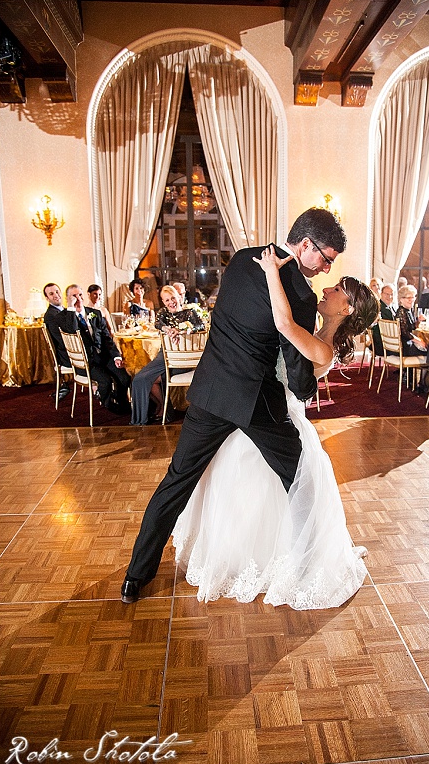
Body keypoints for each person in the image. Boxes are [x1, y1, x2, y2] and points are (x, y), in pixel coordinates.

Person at [122, 208, 345, 604]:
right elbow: (296, 374)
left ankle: (134, 577)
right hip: (257, 404)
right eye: (325, 258)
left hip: (209, 393)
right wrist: (310, 384)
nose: (326, 269)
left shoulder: (243, 259)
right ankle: (310, 562)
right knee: (301, 478)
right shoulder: (300, 294)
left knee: (176, 482)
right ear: (306, 245)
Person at [172, 247, 377, 606]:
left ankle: (286, 558)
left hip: (274, 412)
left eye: (337, 291)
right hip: (258, 403)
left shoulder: (323, 349)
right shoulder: (316, 329)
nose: (327, 290)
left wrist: (270, 272)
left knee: (273, 488)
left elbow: (283, 326)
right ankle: (248, 553)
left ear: (345, 309)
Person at [130, 285, 206, 425]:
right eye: (167, 300)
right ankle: (159, 408)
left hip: (184, 361)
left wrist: (185, 330)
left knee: (151, 379)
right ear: (163, 302)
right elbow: (157, 323)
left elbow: (201, 326)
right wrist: (168, 329)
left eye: (173, 298)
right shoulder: (163, 312)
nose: (171, 302)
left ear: (179, 297)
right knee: (139, 379)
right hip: (163, 358)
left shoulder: (190, 312)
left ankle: (163, 409)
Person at [61, 284, 131, 414]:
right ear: (68, 299)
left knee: (124, 377)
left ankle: (122, 402)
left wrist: (116, 356)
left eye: (80, 295)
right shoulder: (65, 317)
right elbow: (72, 329)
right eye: (74, 296)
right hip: (86, 362)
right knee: (105, 382)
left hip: (104, 356)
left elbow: (107, 338)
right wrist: (71, 307)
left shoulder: (95, 313)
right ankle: (107, 404)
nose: (79, 299)